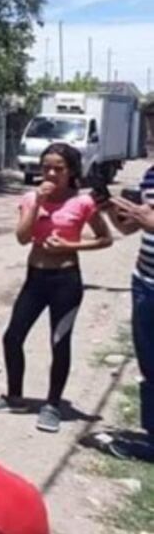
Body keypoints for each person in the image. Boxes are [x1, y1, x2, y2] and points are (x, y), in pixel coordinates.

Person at [0, 143, 112, 433]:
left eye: (59, 168)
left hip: (66, 281)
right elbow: (22, 238)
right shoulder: (30, 198)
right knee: (12, 337)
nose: (51, 173)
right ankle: (14, 396)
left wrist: (71, 245)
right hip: (35, 278)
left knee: (59, 342)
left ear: (71, 172)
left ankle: (52, 404)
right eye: (46, 168)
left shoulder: (82, 203)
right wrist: (37, 205)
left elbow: (106, 239)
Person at [102, 165, 154, 460]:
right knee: (149, 364)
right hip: (145, 281)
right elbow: (129, 228)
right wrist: (110, 209)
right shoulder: (150, 175)